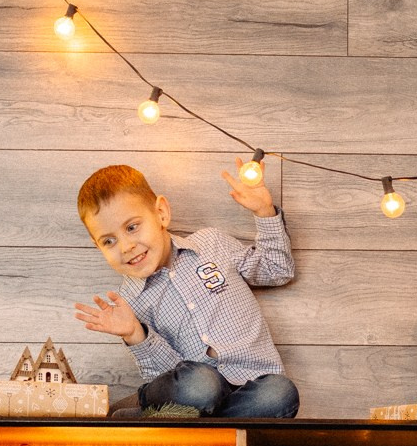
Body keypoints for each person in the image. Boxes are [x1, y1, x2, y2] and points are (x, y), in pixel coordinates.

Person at [73, 162, 299, 420]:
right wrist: (136, 334)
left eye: (132, 227)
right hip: (193, 389)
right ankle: (171, 417)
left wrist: (264, 211)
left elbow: (277, 270)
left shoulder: (212, 244)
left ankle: (156, 422)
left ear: (161, 213)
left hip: (250, 385)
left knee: (280, 393)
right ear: (98, 246)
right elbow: (165, 375)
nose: (125, 246)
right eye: (109, 241)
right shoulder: (131, 302)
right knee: (201, 385)